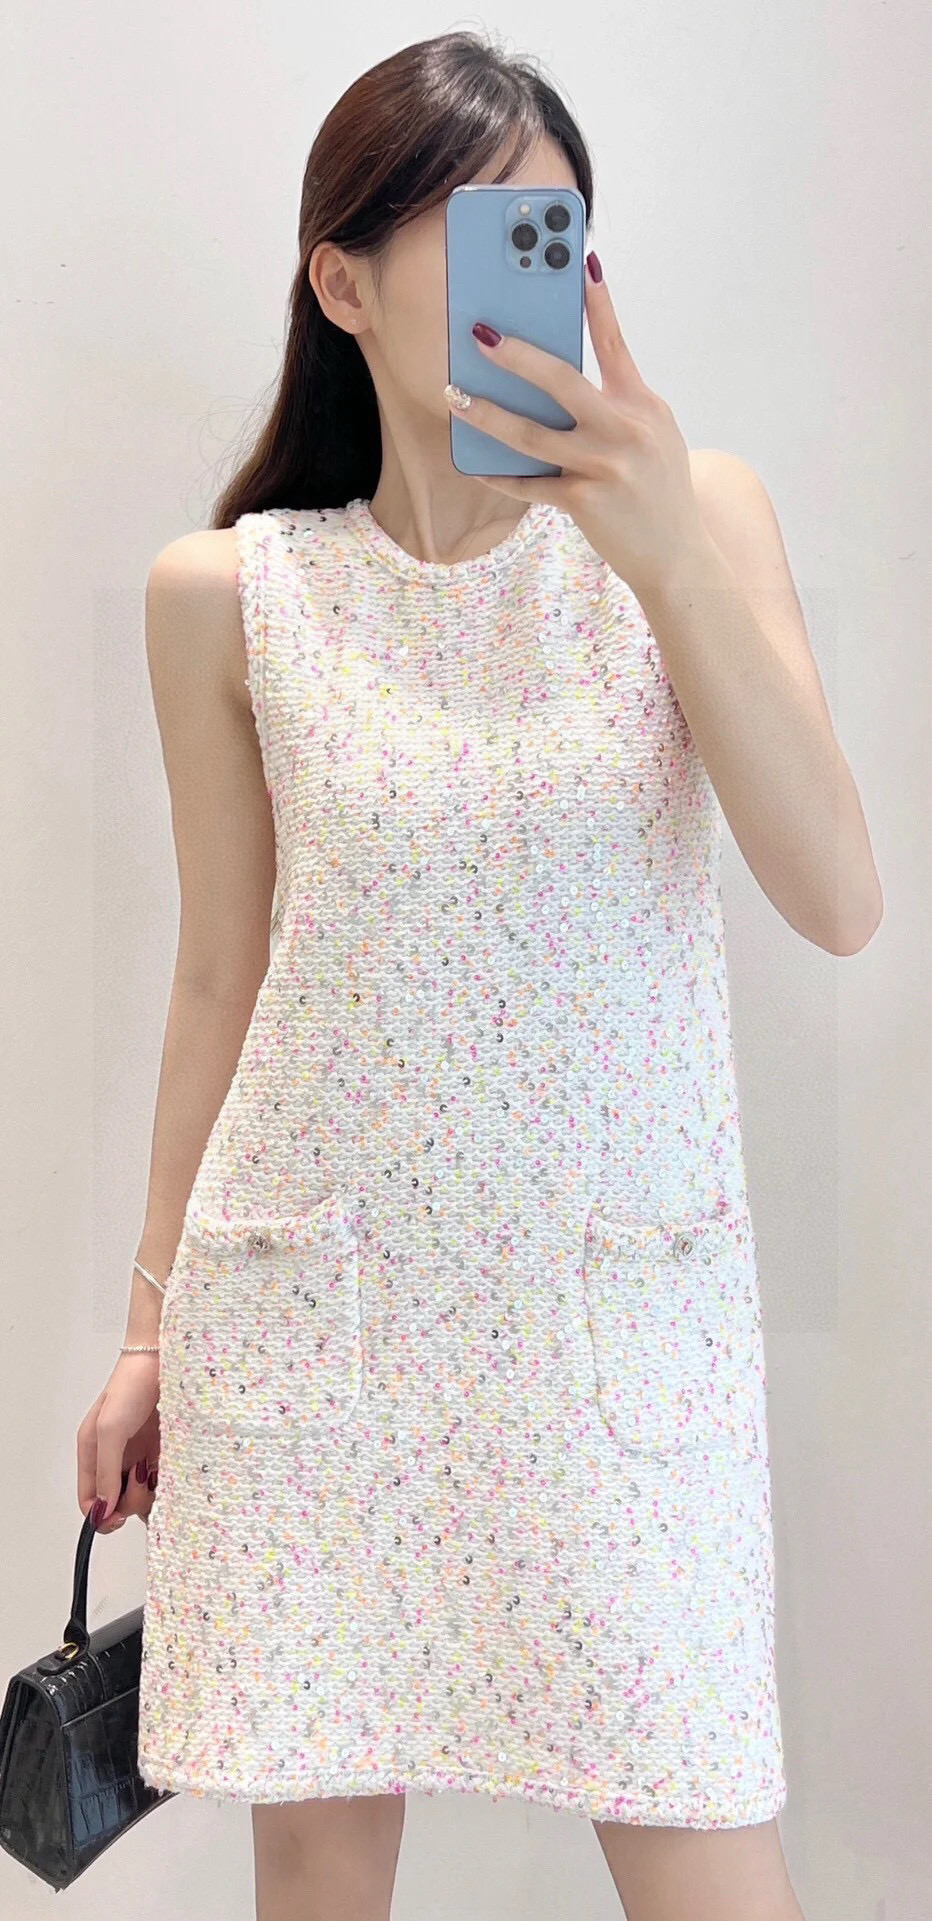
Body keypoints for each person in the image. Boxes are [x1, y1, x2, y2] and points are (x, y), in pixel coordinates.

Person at [76, 29, 880, 1921]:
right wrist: (147, 1330)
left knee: (707, 1850)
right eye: (476, 224)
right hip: (321, 1328)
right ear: (341, 281)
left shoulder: (696, 521)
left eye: (554, 225)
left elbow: (840, 896)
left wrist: (663, 550)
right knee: (319, 1873)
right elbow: (221, 976)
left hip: (612, 1338)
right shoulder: (231, 595)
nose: (533, 260)